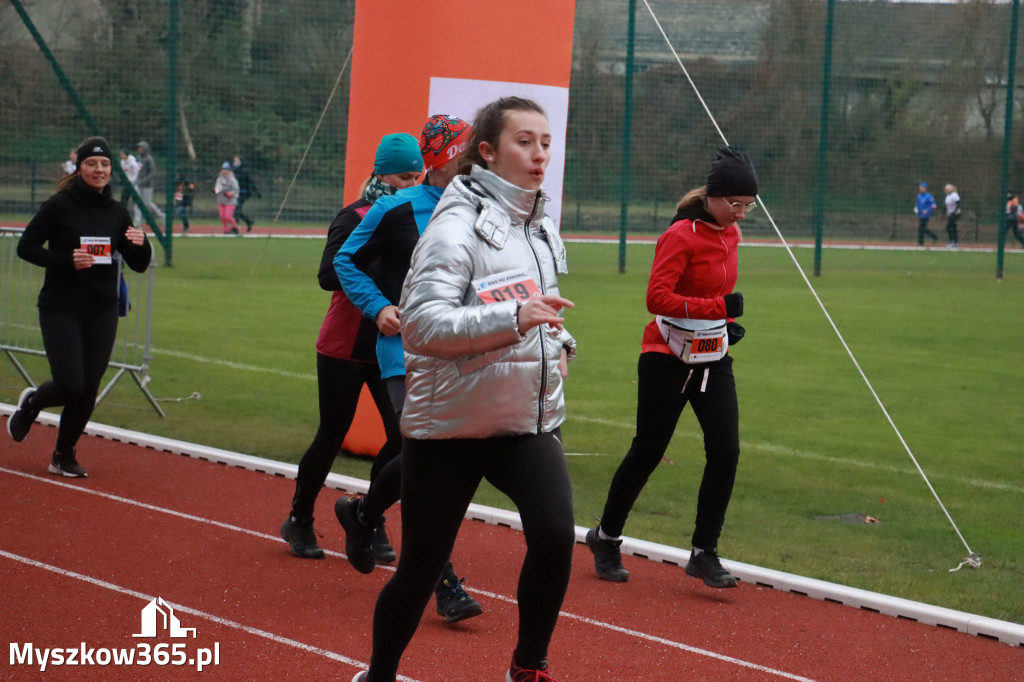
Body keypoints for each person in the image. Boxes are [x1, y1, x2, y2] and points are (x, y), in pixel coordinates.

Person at [350, 96, 576, 682]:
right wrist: (516, 321)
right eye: (525, 141)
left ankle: (528, 669)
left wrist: (560, 340)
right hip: (448, 427)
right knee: (421, 570)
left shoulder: (540, 224)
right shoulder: (452, 228)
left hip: (522, 419)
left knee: (554, 536)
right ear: (487, 151)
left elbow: (534, 304)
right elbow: (423, 328)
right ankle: (377, 676)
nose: (539, 154)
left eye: (545, 142)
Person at [334, 115, 483, 624]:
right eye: (468, 150)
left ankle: (362, 513)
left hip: (463, 354)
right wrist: (378, 307)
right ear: (444, 157)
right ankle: (445, 585)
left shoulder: (484, 210)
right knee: (431, 464)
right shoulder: (395, 207)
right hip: (405, 355)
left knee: (439, 462)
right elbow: (344, 262)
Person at [586, 146, 756, 592]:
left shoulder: (732, 236)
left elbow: (718, 294)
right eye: (734, 205)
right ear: (714, 197)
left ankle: (704, 551)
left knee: (726, 450)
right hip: (665, 356)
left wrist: (725, 323)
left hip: (711, 355)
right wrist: (717, 307)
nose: (740, 214)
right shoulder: (681, 235)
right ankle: (606, 537)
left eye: (748, 207)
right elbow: (656, 298)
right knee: (648, 450)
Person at [278, 133, 421, 560]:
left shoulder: (419, 217)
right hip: (345, 342)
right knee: (332, 431)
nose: (410, 183)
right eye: (402, 176)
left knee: (400, 438)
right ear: (380, 173)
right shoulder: (355, 214)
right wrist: (375, 272)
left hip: (391, 344)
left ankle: (368, 516)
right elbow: (327, 274)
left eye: (417, 175)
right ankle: (299, 518)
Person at [7, 136, 152, 477]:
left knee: (88, 387)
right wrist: (64, 260)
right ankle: (31, 404)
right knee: (69, 384)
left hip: (102, 308)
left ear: (110, 170)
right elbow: (26, 247)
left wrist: (140, 244)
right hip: (61, 307)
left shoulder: (117, 212)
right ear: (79, 167)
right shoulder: (59, 206)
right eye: (91, 163)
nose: (98, 170)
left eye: (104, 164)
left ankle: (63, 454)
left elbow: (139, 263)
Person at [134, 141, 166, 228]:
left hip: (148, 185)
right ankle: (138, 223)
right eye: (138, 148)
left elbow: (153, 173)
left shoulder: (149, 159)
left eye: (141, 148)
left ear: (145, 149)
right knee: (137, 203)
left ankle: (161, 215)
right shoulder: (138, 158)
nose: (139, 149)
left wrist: (143, 181)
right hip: (139, 184)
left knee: (147, 203)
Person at [232, 155, 261, 232]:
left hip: (243, 193)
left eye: (237, 161)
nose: (235, 163)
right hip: (234, 193)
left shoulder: (244, 171)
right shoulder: (232, 171)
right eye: (234, 161)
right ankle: (248, 221)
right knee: (236, 211)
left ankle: (235, 228)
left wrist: (256, 192)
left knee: (236, 210)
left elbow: (250, 182)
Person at [214, 161, 241, 234]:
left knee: (227, 216)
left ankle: (235, 227)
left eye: (226, 169)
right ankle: (226, 230)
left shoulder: (233, 180)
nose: (224, 171)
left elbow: (236, 190)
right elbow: (218, 187)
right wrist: (215, 190)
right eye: (223, 169)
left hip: (230, 201)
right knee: (222, 216)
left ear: (229, 170)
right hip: (221, 200)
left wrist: (230, 194)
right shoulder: (219, 178)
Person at [914, 181, 938, 246]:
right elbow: (918, 204)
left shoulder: (929, 196)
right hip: (920, 214)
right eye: (920, 187)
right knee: (923, 229)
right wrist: (916, 208)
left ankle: (920, 242)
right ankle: (934, 236)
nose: (921, 189)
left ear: (925, 188)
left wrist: (927, 210)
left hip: (926, 215)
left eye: (922, 187)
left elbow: (934, 205)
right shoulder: (919, 196)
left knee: (921, 228)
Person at [942, 184, 961, 249]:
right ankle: (953, 241)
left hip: (954, 214)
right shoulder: (948, 196)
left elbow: (958, 204)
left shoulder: (954, 195)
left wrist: (954, 212)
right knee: (950, 228)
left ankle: (954, 242)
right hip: (950, 214)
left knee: (951, 228)